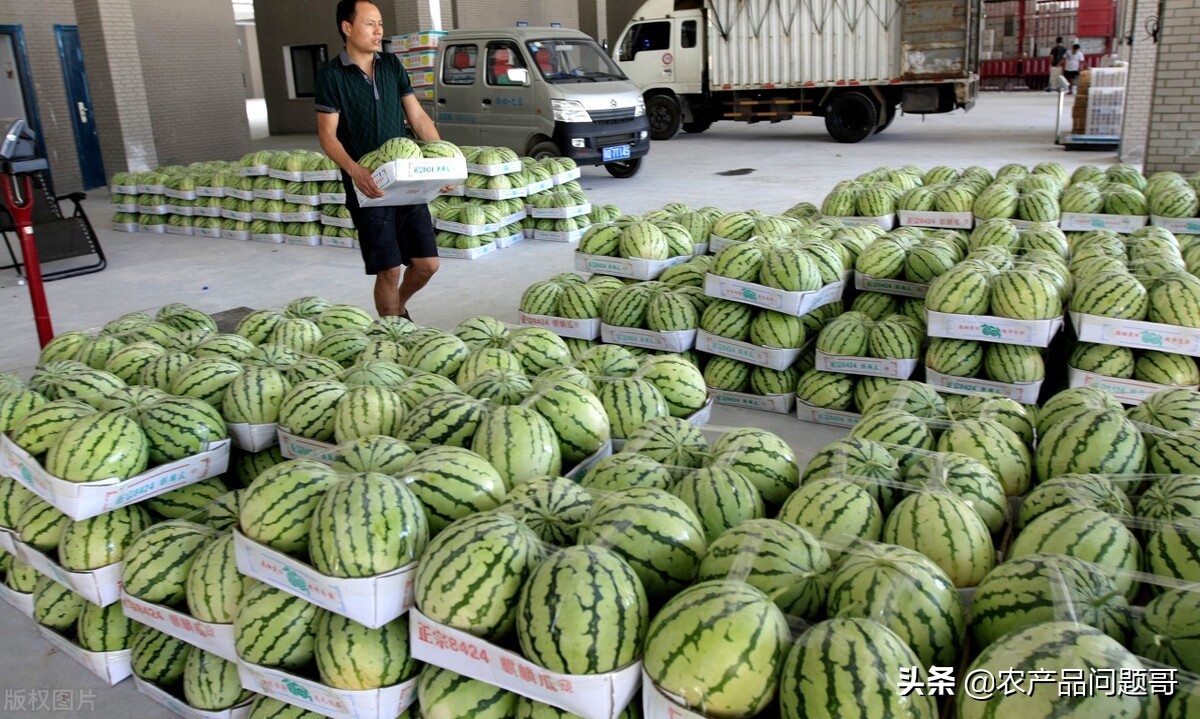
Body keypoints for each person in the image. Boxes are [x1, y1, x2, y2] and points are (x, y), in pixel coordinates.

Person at [315, 0, 443, 321]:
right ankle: (391, 332)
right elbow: (328, 136)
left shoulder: (391, 65)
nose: (379, 30)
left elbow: (417, 115)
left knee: (427, 264)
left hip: (407, 178)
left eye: (381, 23)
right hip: (369, 186)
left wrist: (444, 158)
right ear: (347, 27)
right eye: (370, 23)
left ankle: (396, 307)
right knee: (388, 269)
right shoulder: (331, 76)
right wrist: (355, 169)